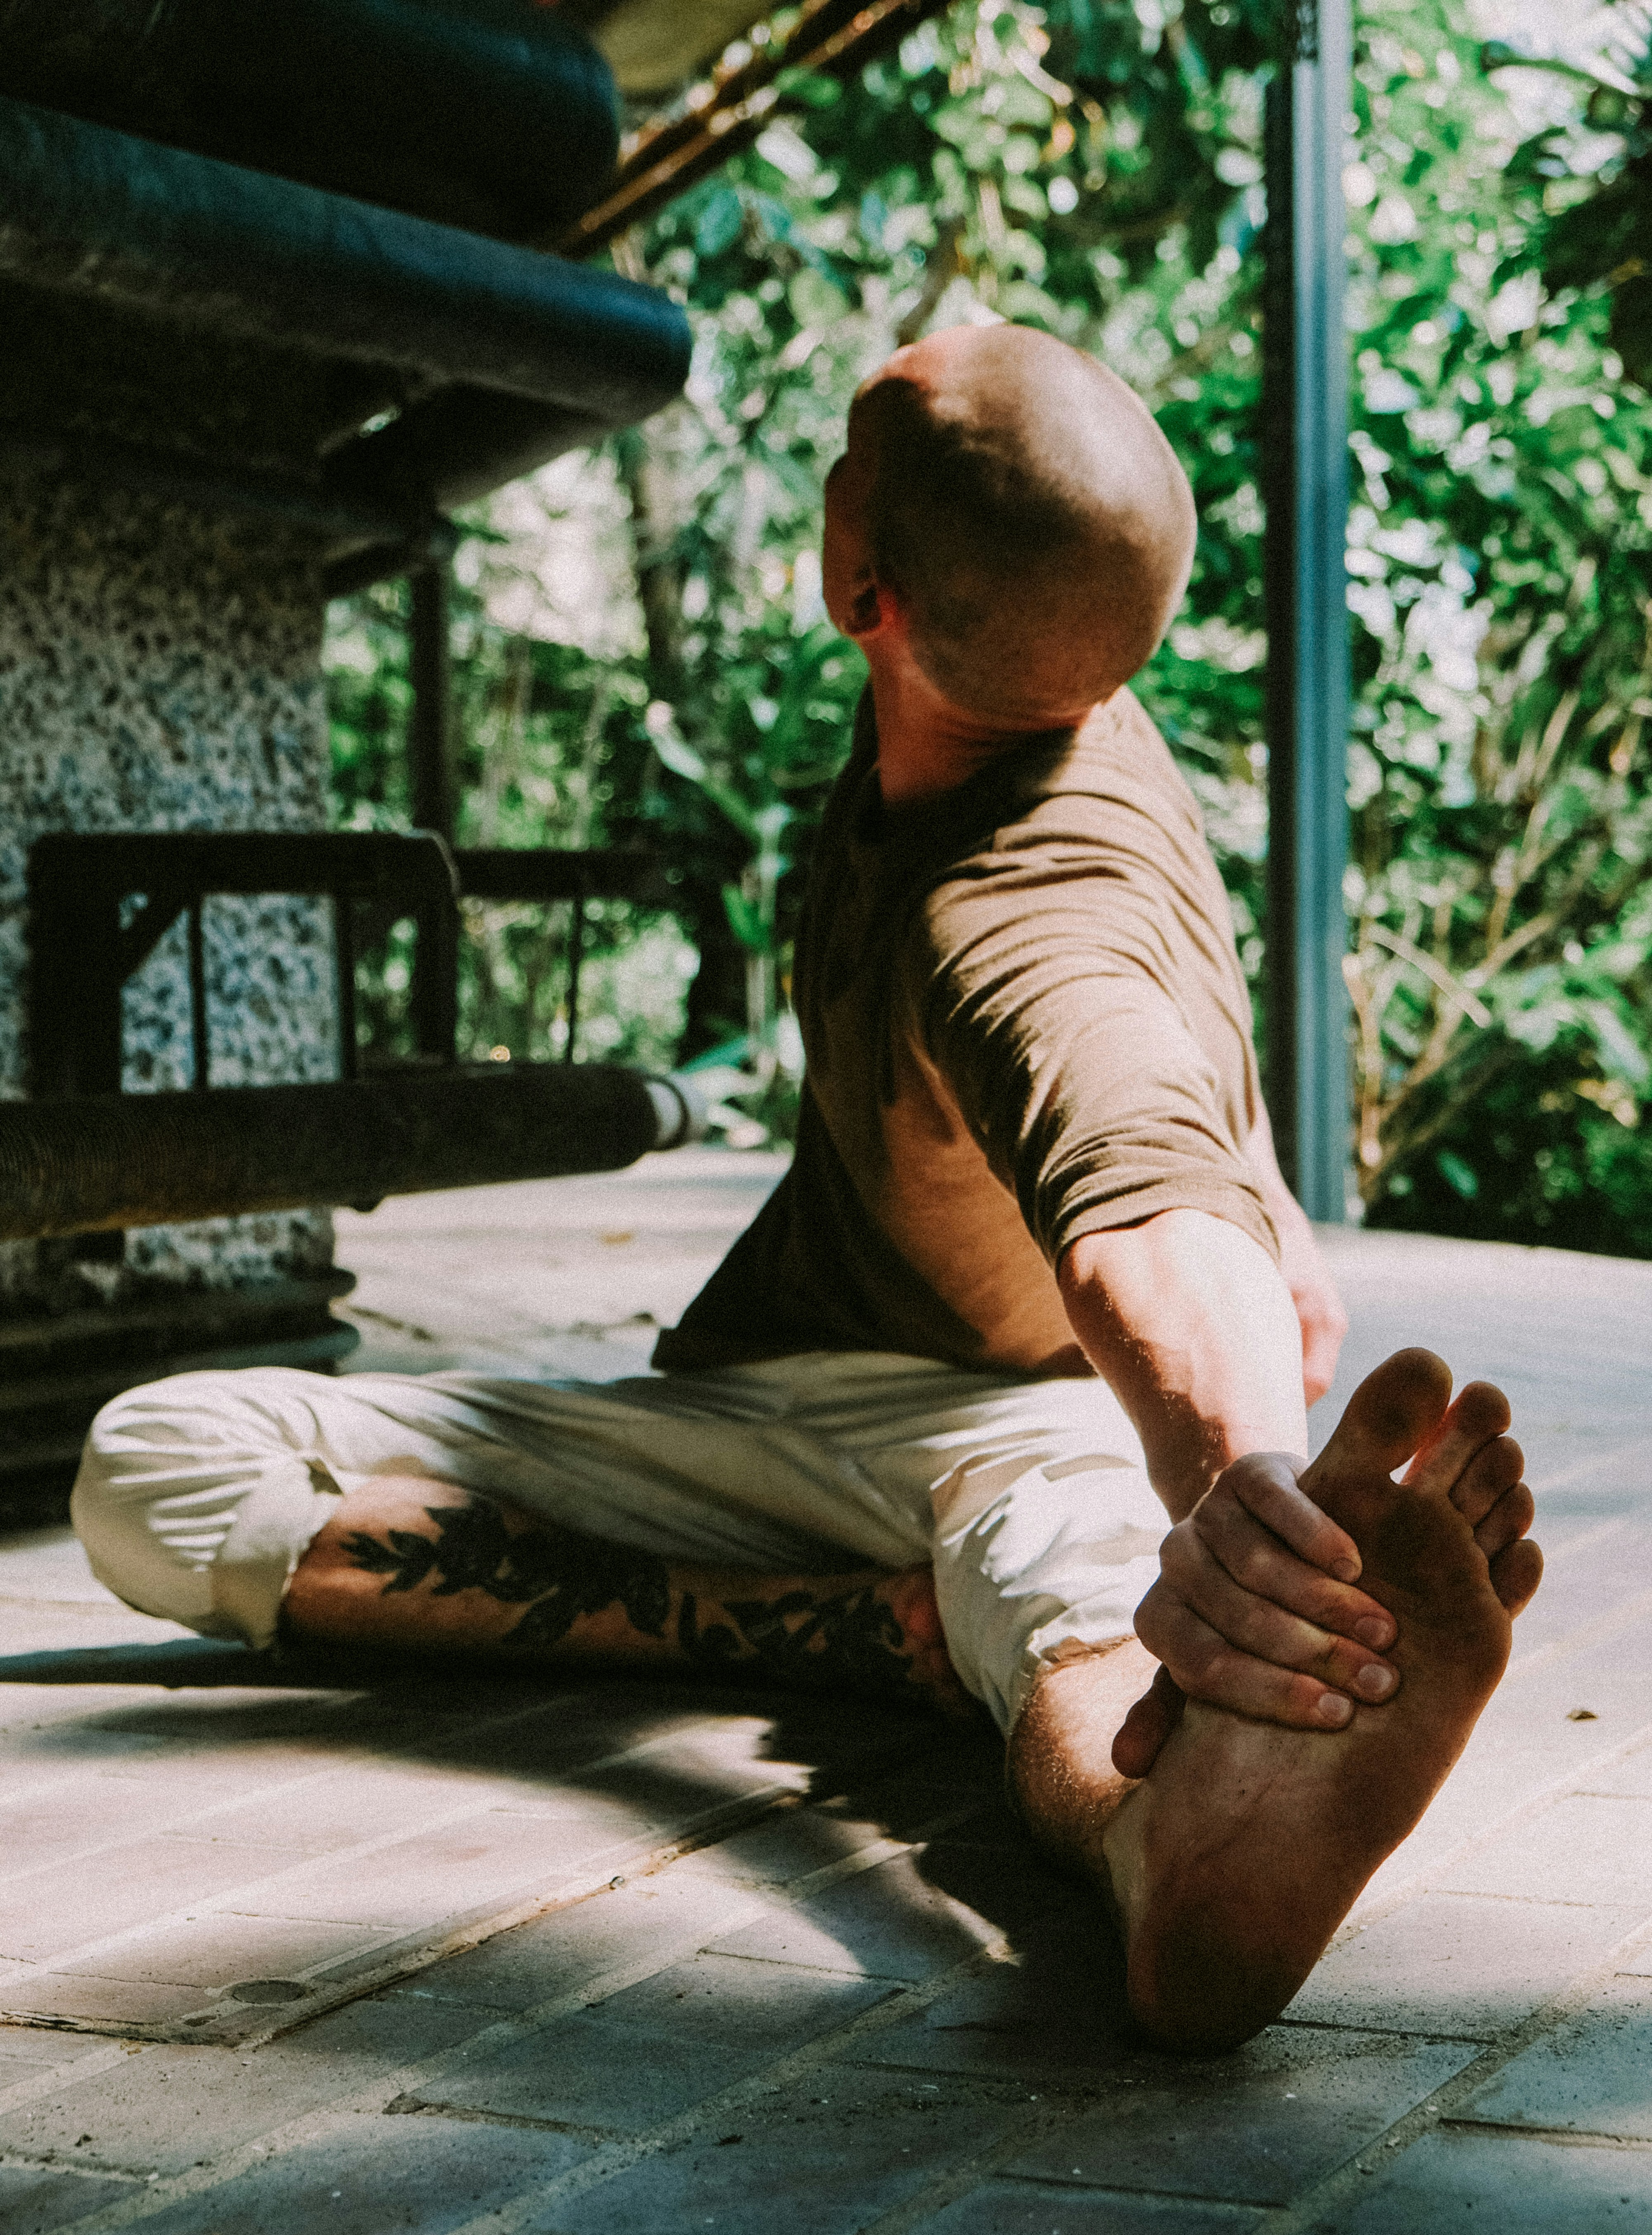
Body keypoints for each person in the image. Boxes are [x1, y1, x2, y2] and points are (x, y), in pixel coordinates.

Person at [71, 325, 1542, 2053]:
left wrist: (1245, 1501)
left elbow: (1138, 1193)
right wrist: (1276, 1209)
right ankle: (875, 1640)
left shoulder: (1013, 906)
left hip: (1036, 1428)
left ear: (861, 583)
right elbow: (1172, 1089)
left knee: (1087, 1660)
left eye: (848, 455)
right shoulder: (1044, 681)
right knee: (155, 1461)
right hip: (780, 1408)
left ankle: (1169, 1842)